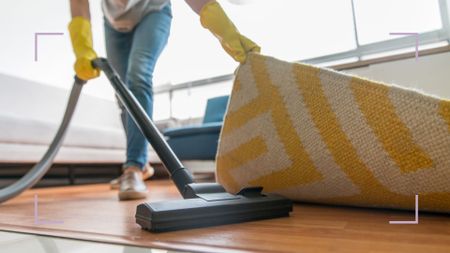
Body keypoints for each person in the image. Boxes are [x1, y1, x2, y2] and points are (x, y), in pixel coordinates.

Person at [69, 0, 260, 200]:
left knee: (138, 76)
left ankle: (133, 167)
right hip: (114, 23)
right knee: (122, 94)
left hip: (154, 10)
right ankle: (140, 164)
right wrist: (82, 47)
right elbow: (79, 4)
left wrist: (227, 33)